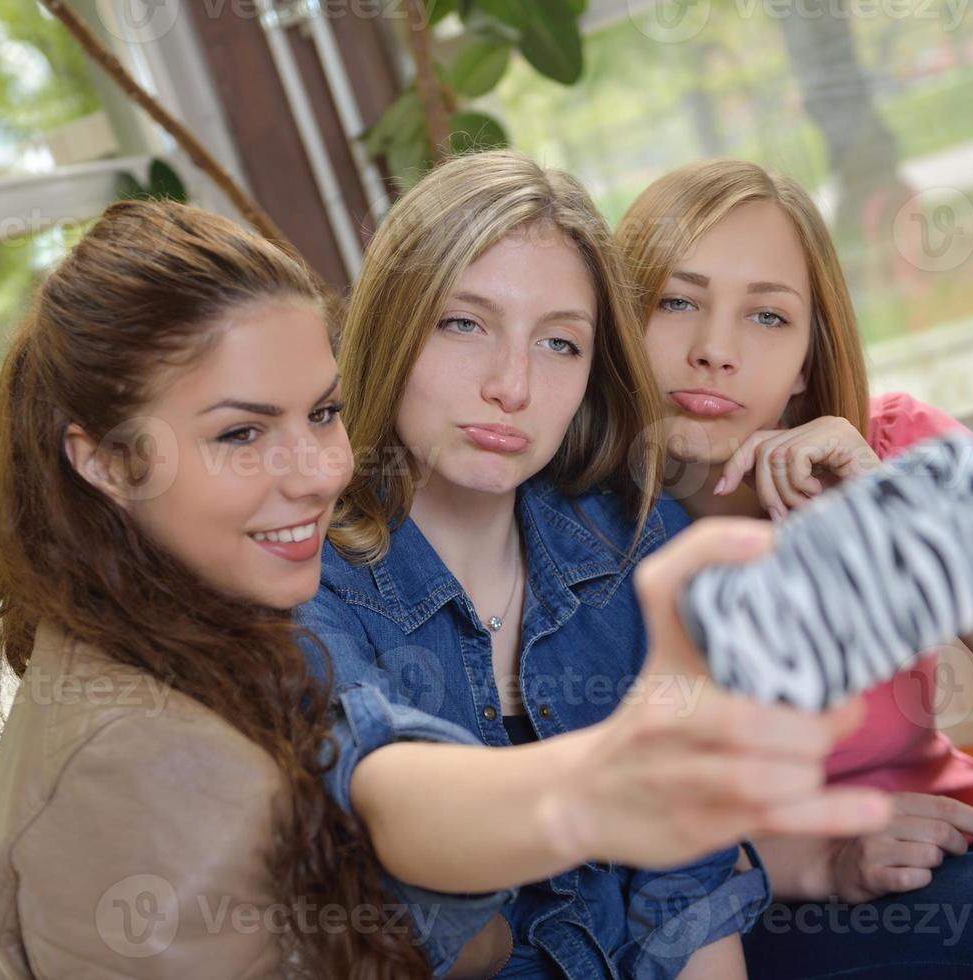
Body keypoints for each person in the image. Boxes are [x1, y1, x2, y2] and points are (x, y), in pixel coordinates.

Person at [0, 198, 888, 979]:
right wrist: (594, 790)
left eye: (321, 415)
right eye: (239, 433)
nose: (316, 472)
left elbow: (689, 900)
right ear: (102, 460)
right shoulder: (187, 705)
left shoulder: (242, 579)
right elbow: (386, 786)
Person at [615, 157, 973, 976]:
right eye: (676, 302)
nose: (715, 350)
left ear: (805, 358)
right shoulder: (564, 519)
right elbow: (570, 820)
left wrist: (913, 537)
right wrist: (803, 852)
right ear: (617, 321)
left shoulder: (896, 448)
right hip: (704, 911)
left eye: (768, 317)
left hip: (950, 876)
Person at [304, 149, 888, 978]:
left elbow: (688, 901)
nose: (512, 385)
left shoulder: (632, 540)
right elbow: (385, 816)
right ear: (393, 326)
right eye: (463, 323)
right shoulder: (307, 573)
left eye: (559, 344)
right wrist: (599, 790)